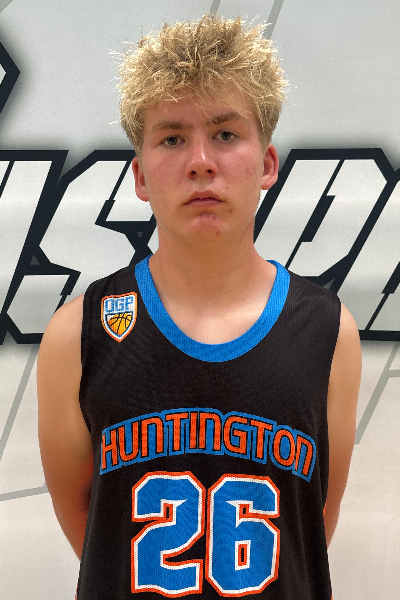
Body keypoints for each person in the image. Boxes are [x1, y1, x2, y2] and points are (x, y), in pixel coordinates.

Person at [37, 13, 361, 600]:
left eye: (226, 134)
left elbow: (310, 525)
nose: (201, 161)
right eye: (172, 138)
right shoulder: (77, 333)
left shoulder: (328, 330)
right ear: (140, 176)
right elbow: (90, 524)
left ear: (267, 164)